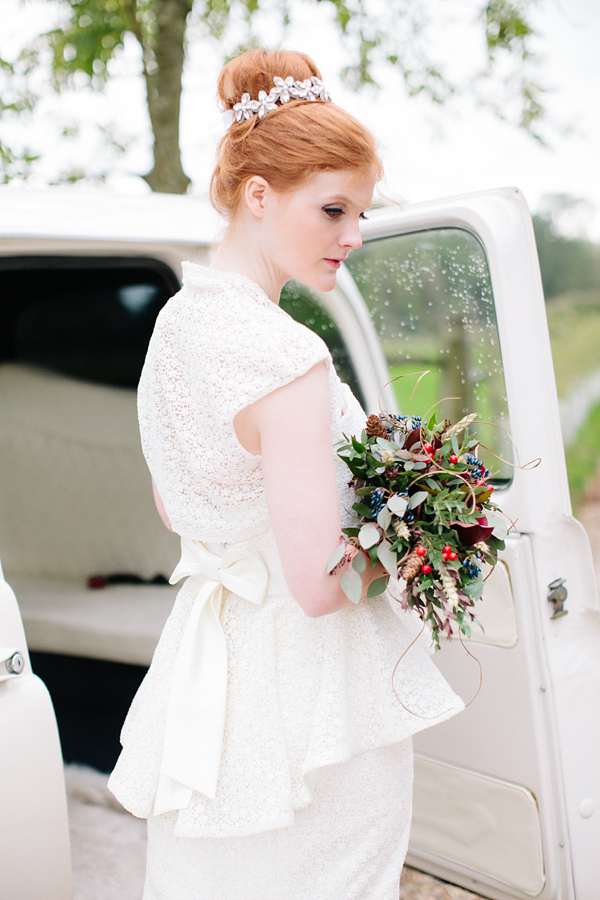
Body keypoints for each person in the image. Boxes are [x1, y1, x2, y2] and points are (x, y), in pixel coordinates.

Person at [108, 48, 464, 900]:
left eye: (362, 212)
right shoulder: (288, 357)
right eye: (333, 208)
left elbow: (178, 506)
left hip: (211, 671)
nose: (354, 235)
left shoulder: (174, 330)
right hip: (313, 695)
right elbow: (318, 583)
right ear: (259, 195)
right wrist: (422, 543)